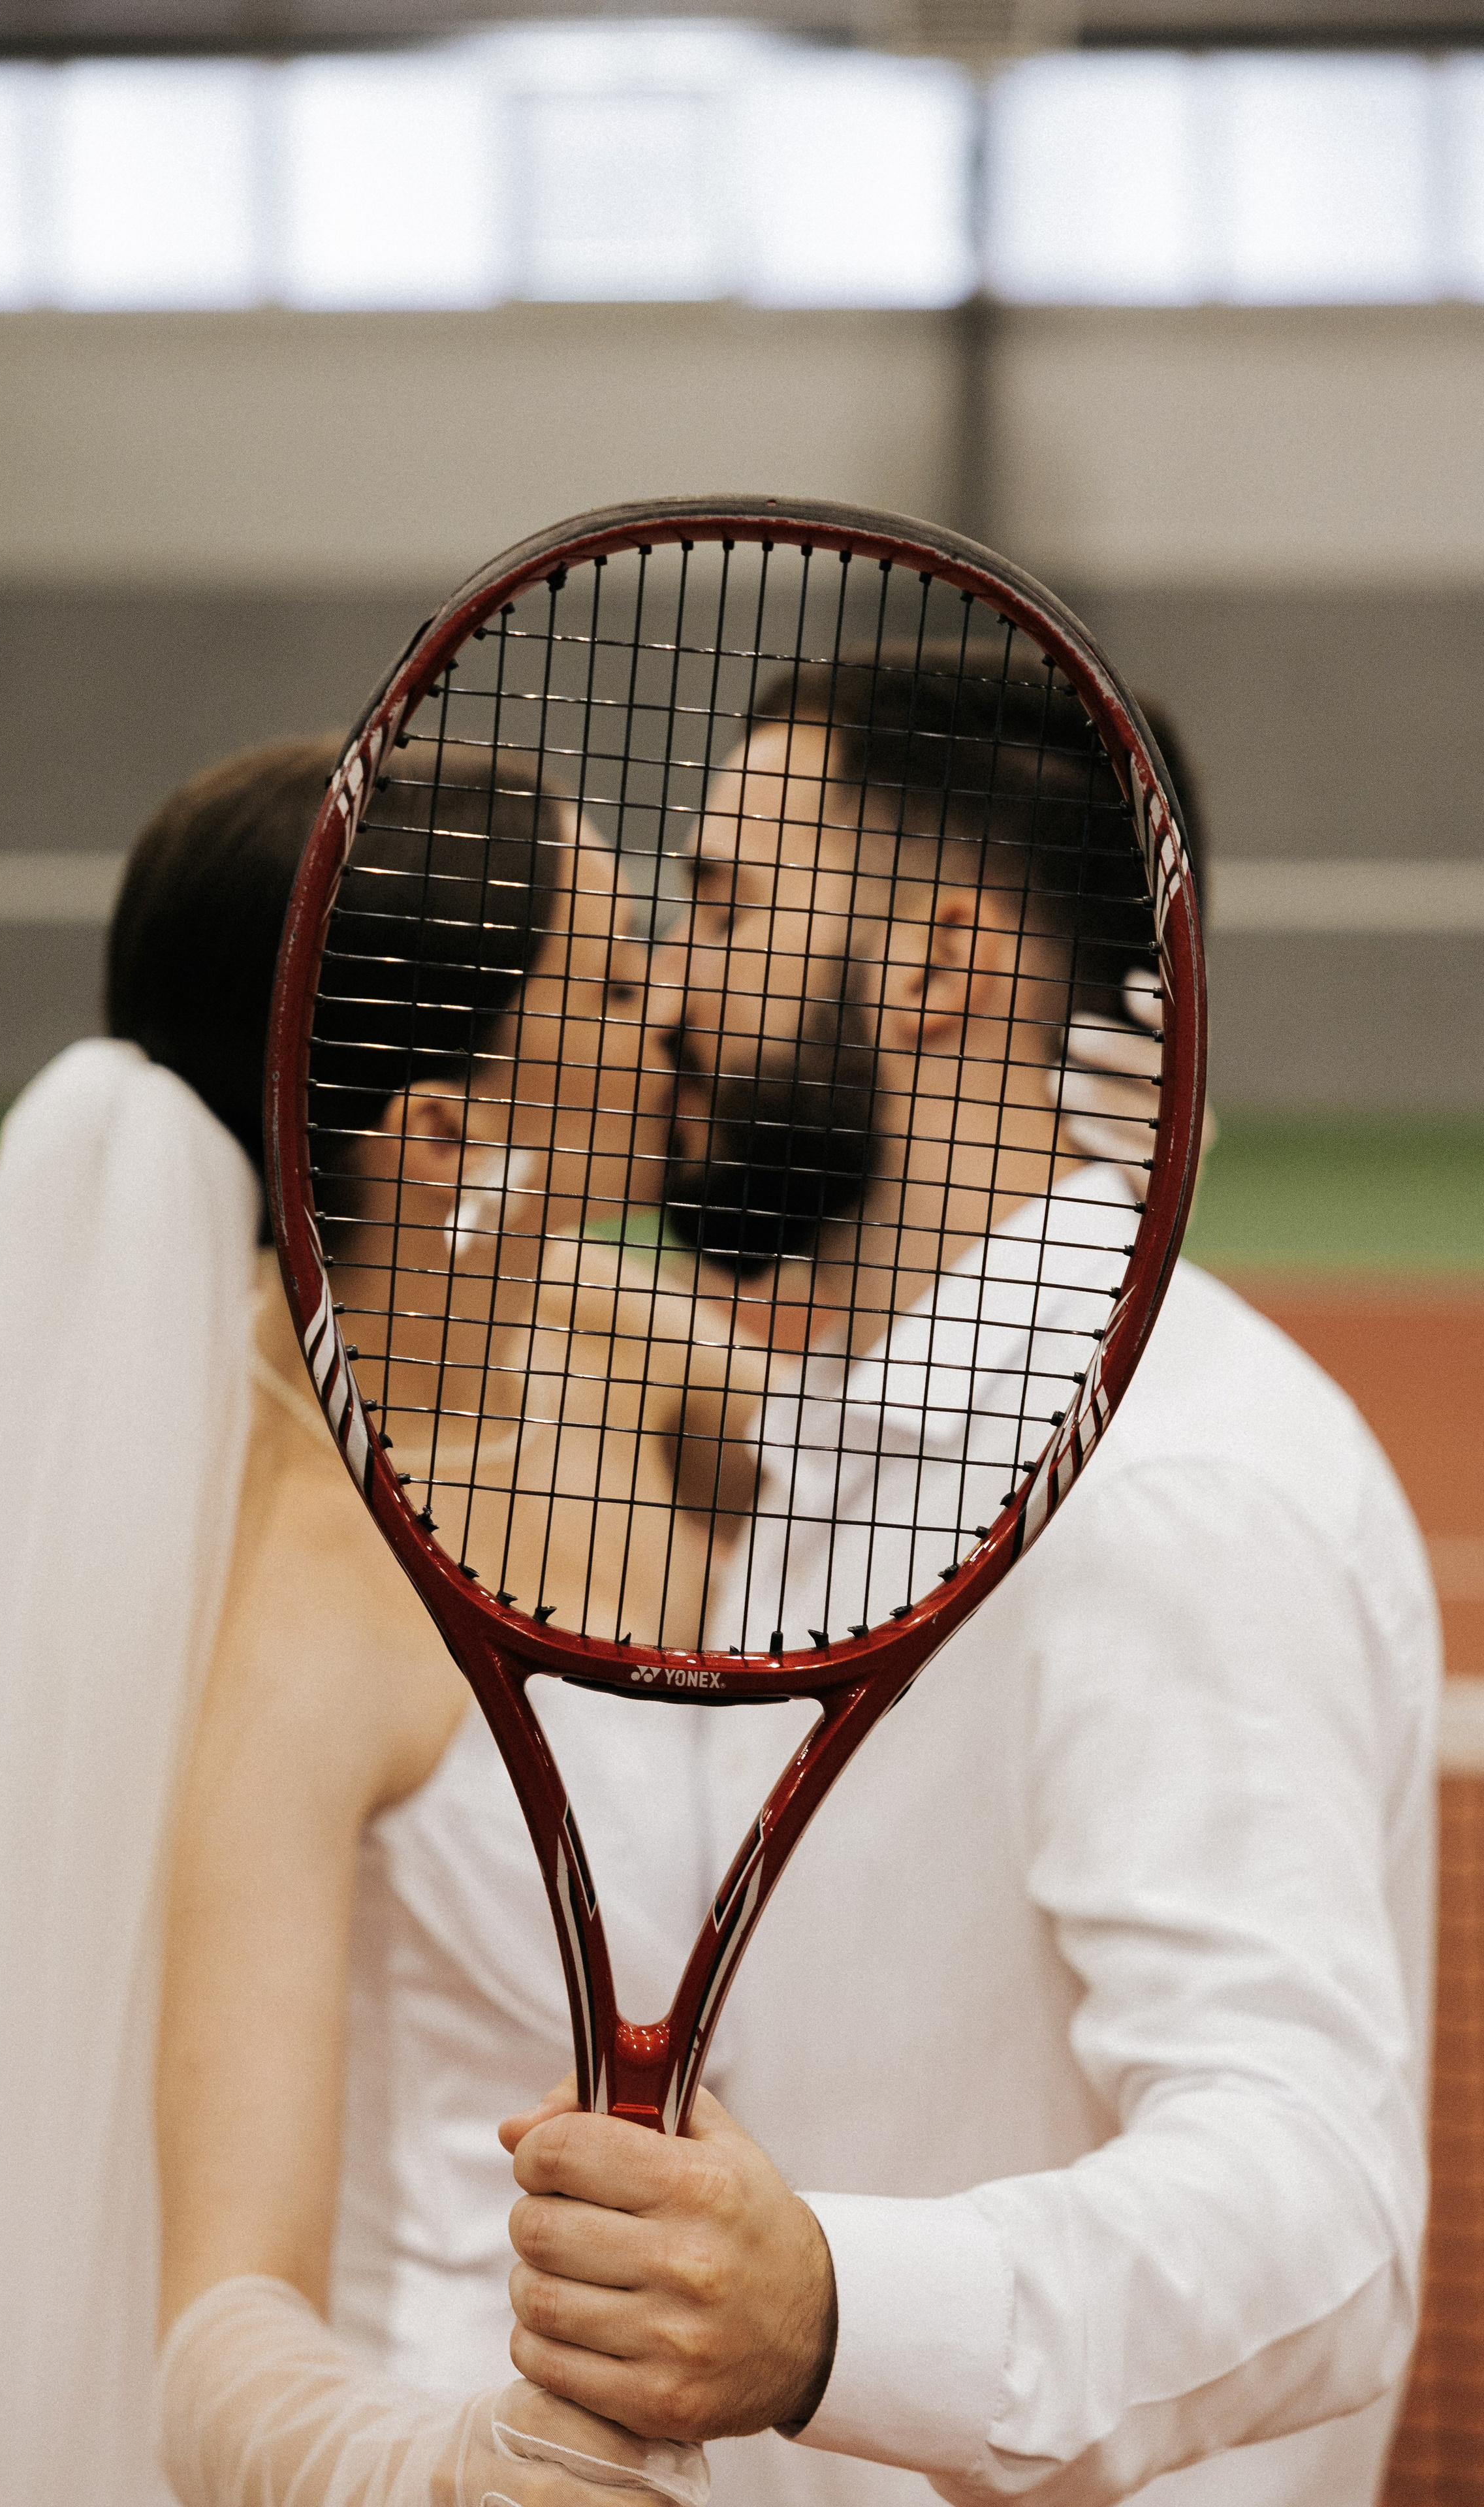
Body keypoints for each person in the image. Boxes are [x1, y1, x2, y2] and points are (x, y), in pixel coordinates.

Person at [495, 654, 1442, 2505]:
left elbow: (1323, 2214)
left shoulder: (1173, 1490)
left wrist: (832, 2312)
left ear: (938, 974)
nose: (665, 993)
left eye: (725, 902)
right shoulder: (844, 1407)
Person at [0, 736, 702, 2507]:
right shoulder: (291, 1606)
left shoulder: (614, 1353)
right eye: (613, 981)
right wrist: (467, 2471)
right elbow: (221, 2326)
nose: (677, 1003)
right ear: (448, 1135)